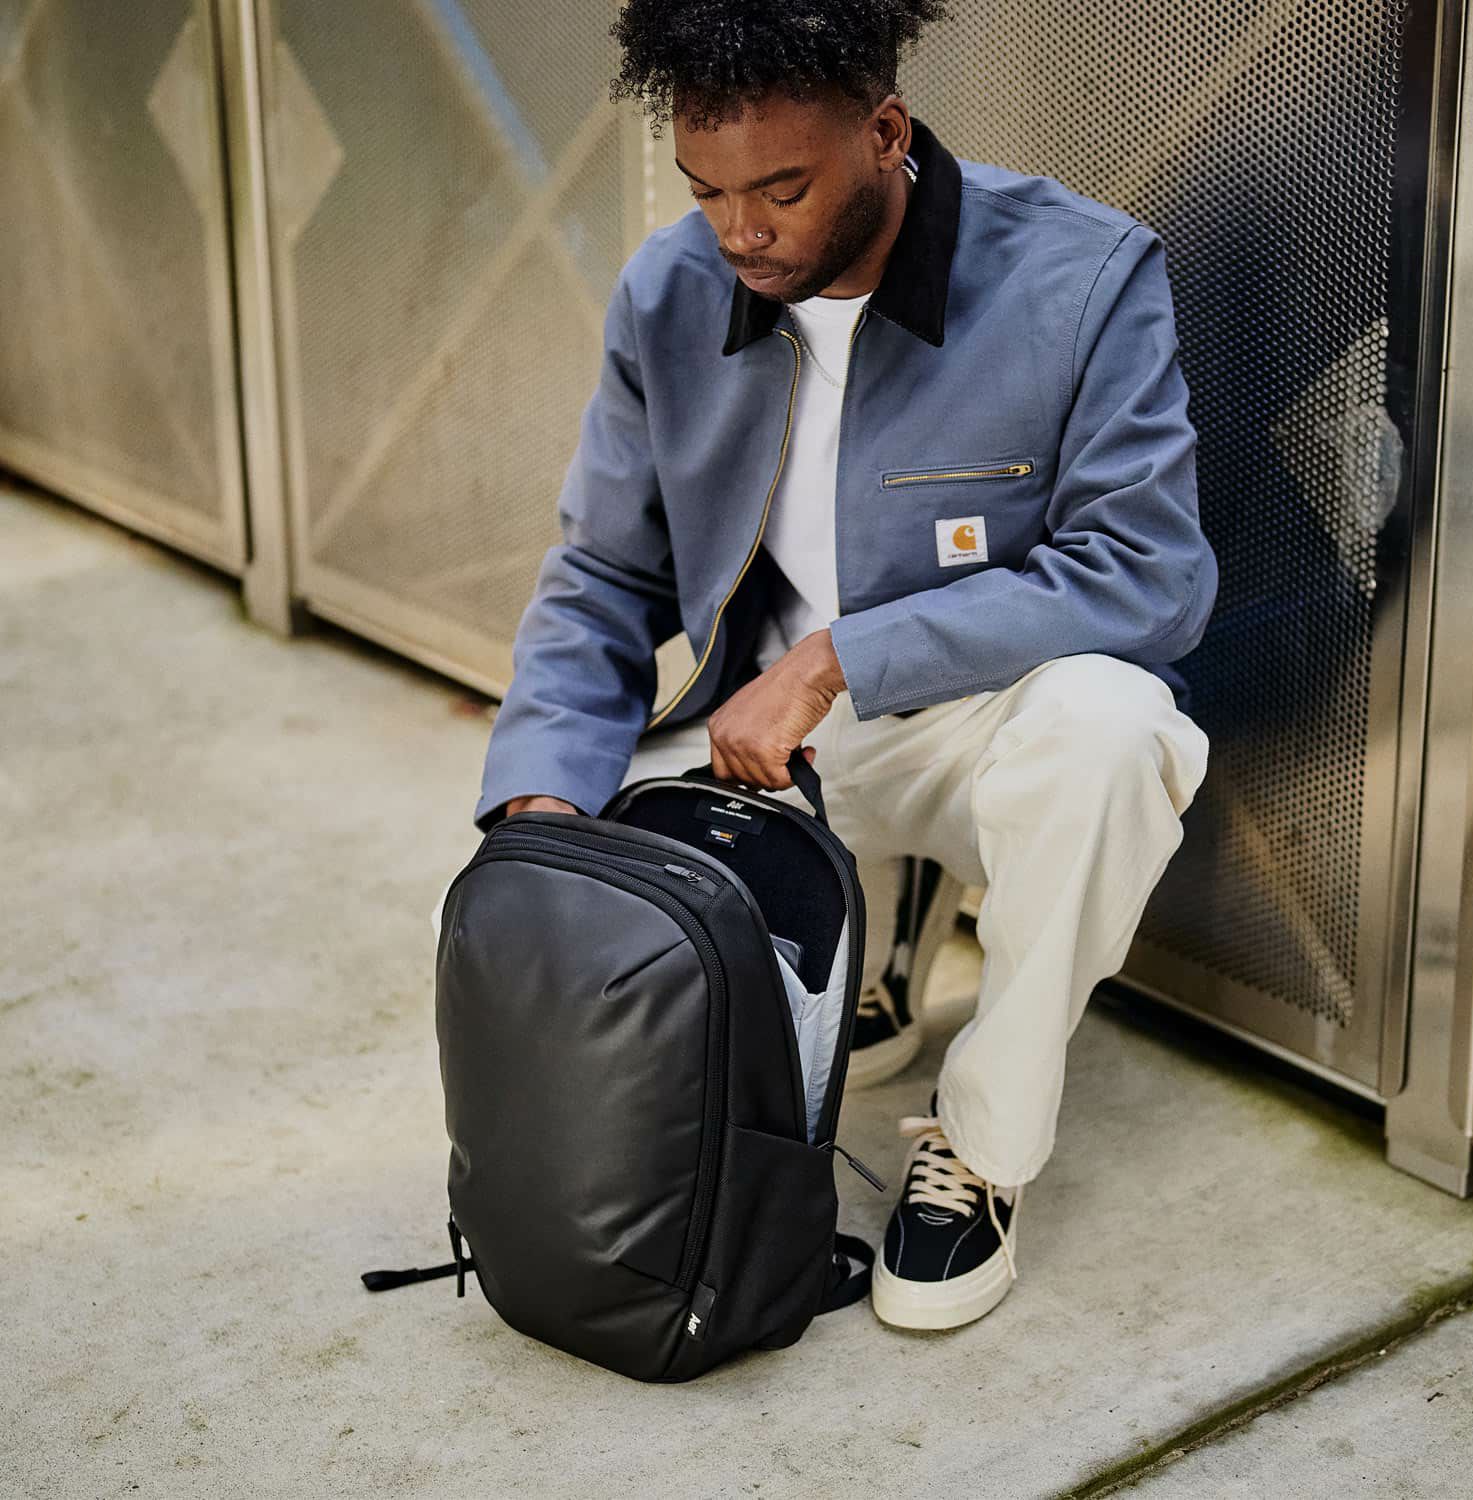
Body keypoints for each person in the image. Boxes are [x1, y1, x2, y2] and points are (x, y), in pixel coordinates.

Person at [466, 0, 1216, 1331]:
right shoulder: (670, 291)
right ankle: (867, 910)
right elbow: (603, 577)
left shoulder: (1080, 276)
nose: (739, 232)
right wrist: (537, 805)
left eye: (781, 189)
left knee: (1116, 733)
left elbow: (1150, 573)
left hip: (987, 727)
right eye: (707, 191)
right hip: (771, 750)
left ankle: (982, 1146)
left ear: (884, 133)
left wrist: (839, 656)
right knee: (548, 922)